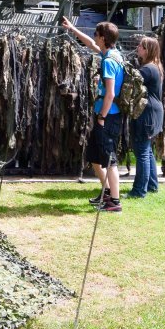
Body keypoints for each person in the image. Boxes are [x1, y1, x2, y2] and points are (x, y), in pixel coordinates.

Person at [61, 16, 125, 212]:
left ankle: (115, 202)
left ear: (103, 38)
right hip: (104, 115)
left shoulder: (109, 62)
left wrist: (102, 117)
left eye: (96, 34)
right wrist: (72, 29)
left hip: (108, 116)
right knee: (96, 158)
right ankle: (107, 193)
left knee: (109, 160)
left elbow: (110, 93)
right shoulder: (112, 54)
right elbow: (89, 44)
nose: (94, 36)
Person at [127, 36, 164, 198]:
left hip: (147, 114)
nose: (138, 48)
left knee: (142, 152)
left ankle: (139, 190)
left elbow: (130, 81)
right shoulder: (155, 67)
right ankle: (152, 185)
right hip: (154, 113)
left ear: (148, 50)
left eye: (141, 46)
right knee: (147, 151)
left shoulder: (148, 69)